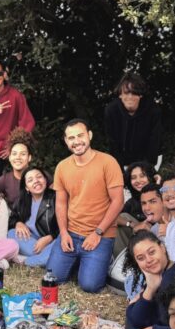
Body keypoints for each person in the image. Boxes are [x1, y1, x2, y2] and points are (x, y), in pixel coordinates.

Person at [46, 119, 125, 293]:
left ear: (89, 135)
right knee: (52, 278)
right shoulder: (62, 167)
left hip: (100, 234)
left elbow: (118, 201)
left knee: (90, 286)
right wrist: (63, 232)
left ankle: (99, 260)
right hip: (71, 232)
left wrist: (98, 233)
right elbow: (60, 203)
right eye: (71, 138)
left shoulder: (108, 162)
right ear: (66, 141)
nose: (76, 141)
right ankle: (80, 262)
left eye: (80, 135)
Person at [120, 230, 175, 329]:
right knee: (133, 313)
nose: (149, 260)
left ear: (162, 247)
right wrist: (150, 289)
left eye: (151, 252)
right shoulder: (155, 275)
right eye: (141, 258)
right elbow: (134, 319)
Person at [103, 71, 163, 171]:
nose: (130, 97)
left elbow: (154, 142)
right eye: (126, 93)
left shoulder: (153, 111)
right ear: (120, 94)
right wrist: (120, 170)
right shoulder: (111, 111)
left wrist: (145, 170)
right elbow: (112, 143)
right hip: (121, 160)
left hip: (148, 158)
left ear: (140, 95)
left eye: (134, 93)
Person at [6, 166, 58, 268]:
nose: (36, 181)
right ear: (26, 187)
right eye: (30, 180)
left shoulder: (56, 197)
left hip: (52, 241)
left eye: (39, 177)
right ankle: (43, 257)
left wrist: (50, 237)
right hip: (32, 241)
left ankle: (26, 261)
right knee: (12, 233)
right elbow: (13, 218)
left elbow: (66, 224)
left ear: (45, 180)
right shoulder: (22, 200)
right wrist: (18, 223)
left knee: (59, 245)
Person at [114, 164, 159, 257]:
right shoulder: (132, 202)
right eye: (133, 178)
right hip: (140, 240)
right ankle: (124, 261)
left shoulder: (162, 193)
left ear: (151, 177)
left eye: (142, 176)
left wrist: (157, 185)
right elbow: (113, 217)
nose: (138, 180)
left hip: (161, 236)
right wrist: (132, 224)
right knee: (121, 220)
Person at [0, 128, 41, 209]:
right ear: (10, 157)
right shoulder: (4, 180)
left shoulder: (41, 177)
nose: (18, 157)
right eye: (14, 154)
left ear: (29, 157)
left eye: (23, 154)